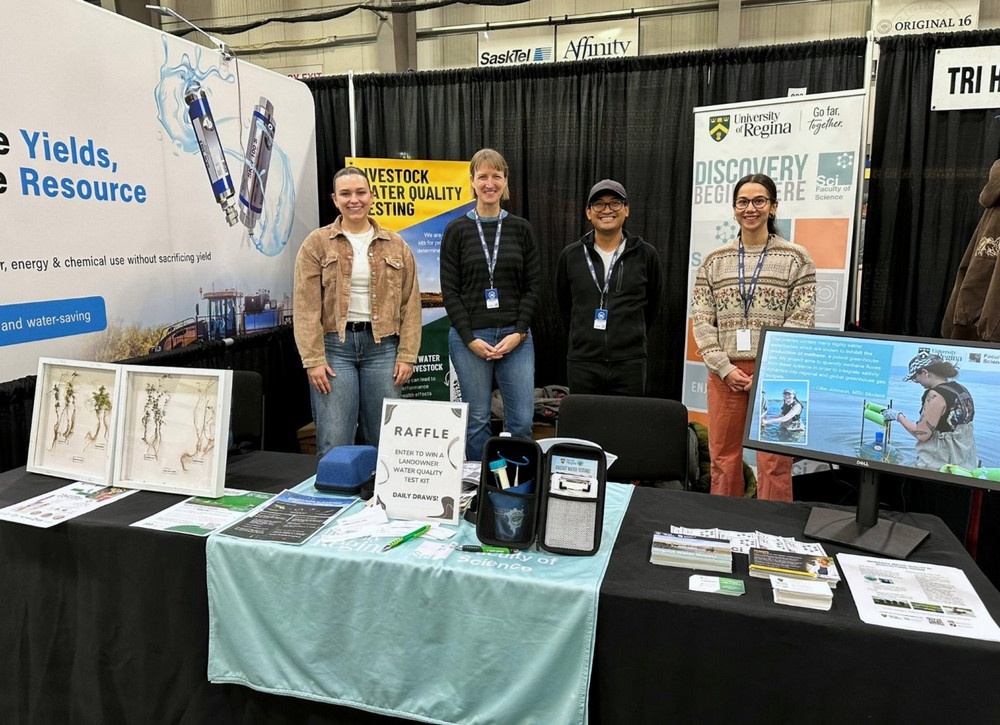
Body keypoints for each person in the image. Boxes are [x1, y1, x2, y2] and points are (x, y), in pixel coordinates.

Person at [691, 173, 816, 501]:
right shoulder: (713, 262)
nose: (751, 208)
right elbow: (702, 322)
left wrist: (765, 372)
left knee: (775, 463)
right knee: (723, 458)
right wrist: (724, 367)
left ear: (773, 206)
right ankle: (725, 525)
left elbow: (802, 321)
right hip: (726, 374)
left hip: (776, 374)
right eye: (743, 202)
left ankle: (774, 533)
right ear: (734, 209)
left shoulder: (797, 259)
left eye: (759, 200)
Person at [293, 167, 421, 457]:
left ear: (372, 196)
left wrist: (407, 355)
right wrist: (313, 360)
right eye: (346, 194)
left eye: (360, 192)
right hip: (334, 350)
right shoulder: (316, 244)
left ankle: (380, 500)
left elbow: (410, 303)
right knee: (335, 440)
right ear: (335, 200)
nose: (354, 200)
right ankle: (336, 499)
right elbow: (305, 306)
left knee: (386, 439)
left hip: (383, 349)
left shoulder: (396, 244)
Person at [440, 148, 539, 461]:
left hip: (515, 337)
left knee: (521, 421)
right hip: (471, 339)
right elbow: (450, 291)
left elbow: (533, 287)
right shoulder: (456, 231)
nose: (489, 182)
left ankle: (516, 485)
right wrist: (470, 339)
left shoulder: (521, 229)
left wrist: (519, 332)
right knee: (477, 421)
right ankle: (481, 486)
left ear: (505, 181)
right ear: (472, 181)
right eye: (482, 176)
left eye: (496, 175)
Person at [555, 179, 663, 395]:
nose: (607, 210)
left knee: (624, 427)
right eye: (599, 204)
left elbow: (653, 305)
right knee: (584, 428)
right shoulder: (571, 256)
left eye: (615, 203)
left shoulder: (645, 255)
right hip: (583, 363)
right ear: (588, 212)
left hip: (629, 364)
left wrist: (629, 336)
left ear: (626, 210)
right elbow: (564, 306)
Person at [882, 352, 977, 470]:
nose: (916, 381)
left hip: (940, 466)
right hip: (965, 464)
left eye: (915, 377)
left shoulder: (935, 395)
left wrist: (898, 416)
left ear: (925, 372)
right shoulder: (961, 390)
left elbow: (922, 434)